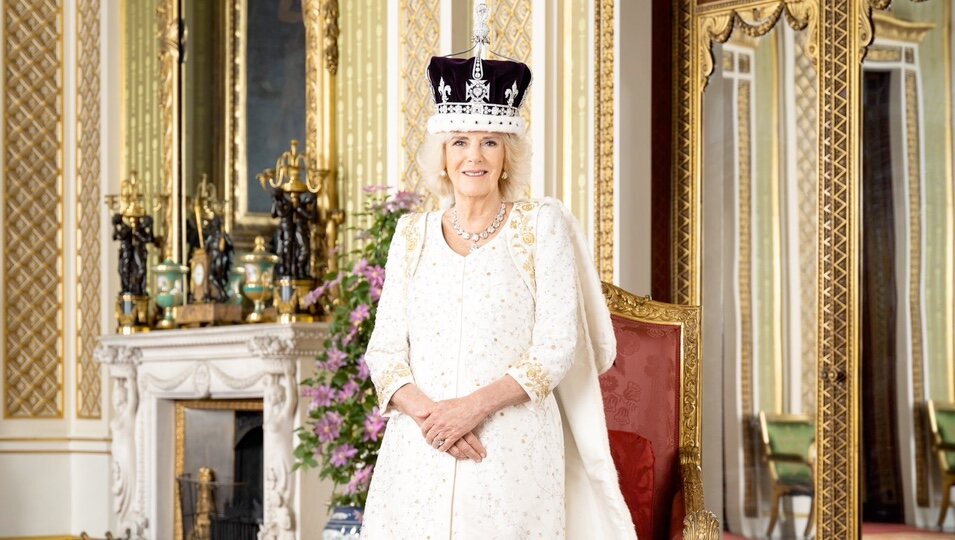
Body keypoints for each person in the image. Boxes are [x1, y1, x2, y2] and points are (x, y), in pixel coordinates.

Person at [360, 39, 638, 540]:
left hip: (512, 448)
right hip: (418, 454)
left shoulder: (540, 226)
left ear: (507, 157)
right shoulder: (410, 235)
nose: (475, 156)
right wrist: (434, 419)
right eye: (460, 141)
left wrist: (472, 409)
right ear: (442, 156)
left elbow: (556, 348)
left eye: (490, 141)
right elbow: (383, 354)